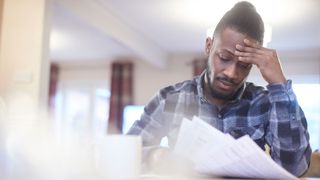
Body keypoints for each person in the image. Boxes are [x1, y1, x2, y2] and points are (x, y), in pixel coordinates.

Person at [128, 1, 311, 177]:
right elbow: (127, 153)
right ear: (208, 46)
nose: (232, 73)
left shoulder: (265, 103)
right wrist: (157, 156)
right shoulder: (169, 99)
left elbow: (294, 170)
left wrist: (279, 86)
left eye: (244, 65)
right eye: (224, 57)